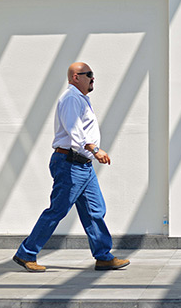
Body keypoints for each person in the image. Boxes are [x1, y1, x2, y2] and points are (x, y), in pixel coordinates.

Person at [13, 62, 130, 272]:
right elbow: (75, 132)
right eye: (89, 75)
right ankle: (26, 253)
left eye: (93, 75)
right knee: (57, 211)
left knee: (96, 210)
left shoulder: (82, 99)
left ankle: (103, 256)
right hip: (69, 163)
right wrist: (95, 150)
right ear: (76, 77)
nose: (93, 78)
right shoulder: (70, 99)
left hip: (83, 165)